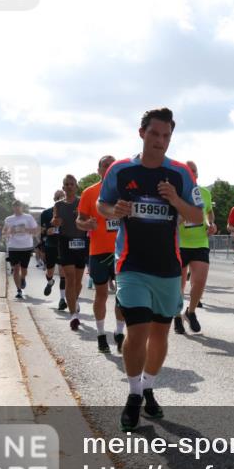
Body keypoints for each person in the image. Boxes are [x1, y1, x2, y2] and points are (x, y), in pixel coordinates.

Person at [98, 107, 203, 432]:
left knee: (159, 333)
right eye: (155, 134)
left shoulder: (181, 174)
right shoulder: (120, 169)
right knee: (137, 330)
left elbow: (197, 217)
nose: (160, 141)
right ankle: (133, 396)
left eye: (166, 136)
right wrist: (114, 209)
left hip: (169, 268)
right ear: (142, 133)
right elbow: (103, 206)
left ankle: (147, 387)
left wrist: (175, 200)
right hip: (131, 264)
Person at [77, 155, 127, 353]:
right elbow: (79, 220)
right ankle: (100, 334)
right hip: (98, 252)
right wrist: (86, 224)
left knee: (122, 296)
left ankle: (120, 332)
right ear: (98, 170)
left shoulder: (125, 190)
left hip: (122, 252)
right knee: (101, 294)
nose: (108, 169)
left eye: (111, 166)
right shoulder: (90, 193)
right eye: (105, 166)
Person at [175, 160, 216, 334]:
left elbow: (208, 212)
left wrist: (211, 224)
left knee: (199, 282)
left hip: (200, 243)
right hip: (180, 243)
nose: (192, 173)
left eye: (194, 171)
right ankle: (176, 316)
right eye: (188, 171)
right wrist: (182, 217)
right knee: (179, 285)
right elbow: (171, 221)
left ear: (197, 175)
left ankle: (190, 312)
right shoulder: (177, 193)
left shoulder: (205, 193)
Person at [54, 175, 88, 330]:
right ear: (63, 187)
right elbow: (55, 220)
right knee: (69, 277)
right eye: (66, 184)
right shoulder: (58, 205)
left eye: (71, 184)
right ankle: (73, 314)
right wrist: (55, 222)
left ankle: (74, 300)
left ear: (76, 186)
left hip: (81, 241)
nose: (69, 187)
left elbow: (88, 218)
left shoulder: (82, 202)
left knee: (78, 281)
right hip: (65, 241)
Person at [2, 201, 39, 299]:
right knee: (15, 269)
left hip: (26, 246)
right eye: (15, 206)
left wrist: (25, 230)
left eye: (18, 206)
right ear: (12, 208)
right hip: (13, 246)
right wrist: (10, 231)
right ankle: (19, 290)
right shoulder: (9, 219)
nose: (17, 208)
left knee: (24, 269)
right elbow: (4, 233)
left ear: (21, 207)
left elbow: (36, 231)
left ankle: (22, 278)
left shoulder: (28, 218)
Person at [40, 190, 68, 309]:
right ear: (54, 199)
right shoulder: (46, 213)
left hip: (63, 246)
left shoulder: (69, 212)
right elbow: (41, 232)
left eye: (62, 197)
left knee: (63, 273)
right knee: (50, 272)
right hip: (50, 246)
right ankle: (50, 282)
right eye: (57, 197)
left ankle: (62, 299)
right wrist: (47, 231)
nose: (59, 199)